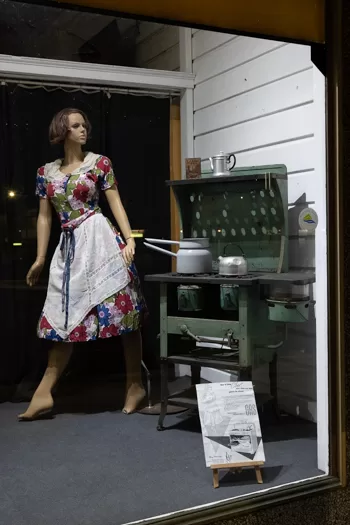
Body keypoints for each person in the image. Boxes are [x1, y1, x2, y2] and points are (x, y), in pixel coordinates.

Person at [19, 108, 147, 421]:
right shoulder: (45, 173)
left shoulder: (99, 164)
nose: (82, 130)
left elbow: (115, 201)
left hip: (100, 239)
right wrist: (39, 258)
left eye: (83, 125)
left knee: (124, 310)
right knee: (67, 317)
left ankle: (135, 385)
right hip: (70, 249)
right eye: (75, 126)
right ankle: (44, 392)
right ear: (62, 132)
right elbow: (45, 216)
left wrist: (129, 240)